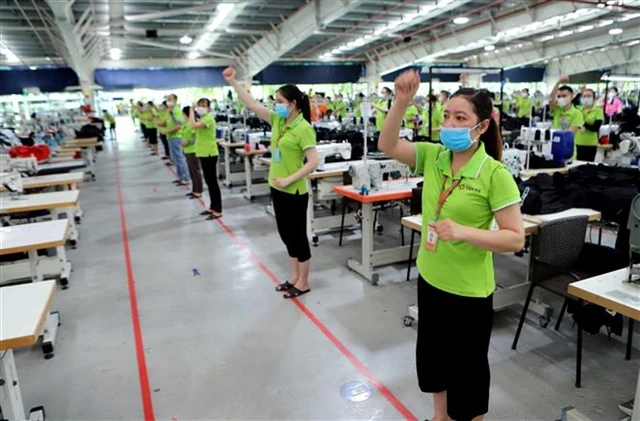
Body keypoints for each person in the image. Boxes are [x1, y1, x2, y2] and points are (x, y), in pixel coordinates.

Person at [378, 70, 525, 421]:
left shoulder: (494, 174)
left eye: (461, 118)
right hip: (431, 279)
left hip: (468, 293)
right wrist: (400, 102)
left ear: (482, 127)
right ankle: (439, 418)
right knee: (434, 362)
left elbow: (515, 237)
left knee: (468, 377)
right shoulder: (434, 157)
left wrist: (463, 232)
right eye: (446, 116)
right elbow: (387, 145)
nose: (450, 124)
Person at [223, 66, 319, 299]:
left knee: (297, 237)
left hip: (293, 190)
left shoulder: (304, 128)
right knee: (286, 235)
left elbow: (313, 161)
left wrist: (288, 178)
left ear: (293, 103)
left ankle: (304, 282)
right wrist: (233, 82)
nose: (275, 104)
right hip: (277, 187)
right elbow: (252, 105)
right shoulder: (278, 120)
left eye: (279, 101)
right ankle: (294, 276)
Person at [189, 98, 222, 220]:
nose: (201, 107)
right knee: (209, 182)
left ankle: (218, 209)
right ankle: (213, 207)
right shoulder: (203, 118)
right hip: (203, 153)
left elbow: (193, 124)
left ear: (208, 107)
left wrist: (191, 110)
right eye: (199, 105)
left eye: (203, 105)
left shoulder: (208, 118)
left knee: (212, 182)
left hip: (209, 154)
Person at [164, 94, 190, 185]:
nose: (168, 101)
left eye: (170, 99)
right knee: (176, 158)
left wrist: (167, 131)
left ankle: (185, 177)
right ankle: (180, 177)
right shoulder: (171, 111)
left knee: (179, 158)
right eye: (167, 99)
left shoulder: (177, 111)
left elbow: (179, 126)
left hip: (176, 137)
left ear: (175, 100)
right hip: (171, 137)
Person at [575, 89, 604, 162]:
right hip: (577, 142)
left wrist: (582, 123)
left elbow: (595, 128)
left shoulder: (598, 111)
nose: (586, 98)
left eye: (589, 96)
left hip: (590, 144)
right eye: (584, 96)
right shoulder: (578, 109)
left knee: (587, 167)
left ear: (594, 98)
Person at [181, 106, 203, 199]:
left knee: (196, 172)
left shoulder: (192, 124)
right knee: (192, 172)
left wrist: (188, 142)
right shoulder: (186, 123)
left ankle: (198, 191)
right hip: (187, 150)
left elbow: (197, 137)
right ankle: (194, 190)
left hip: (193, 150)